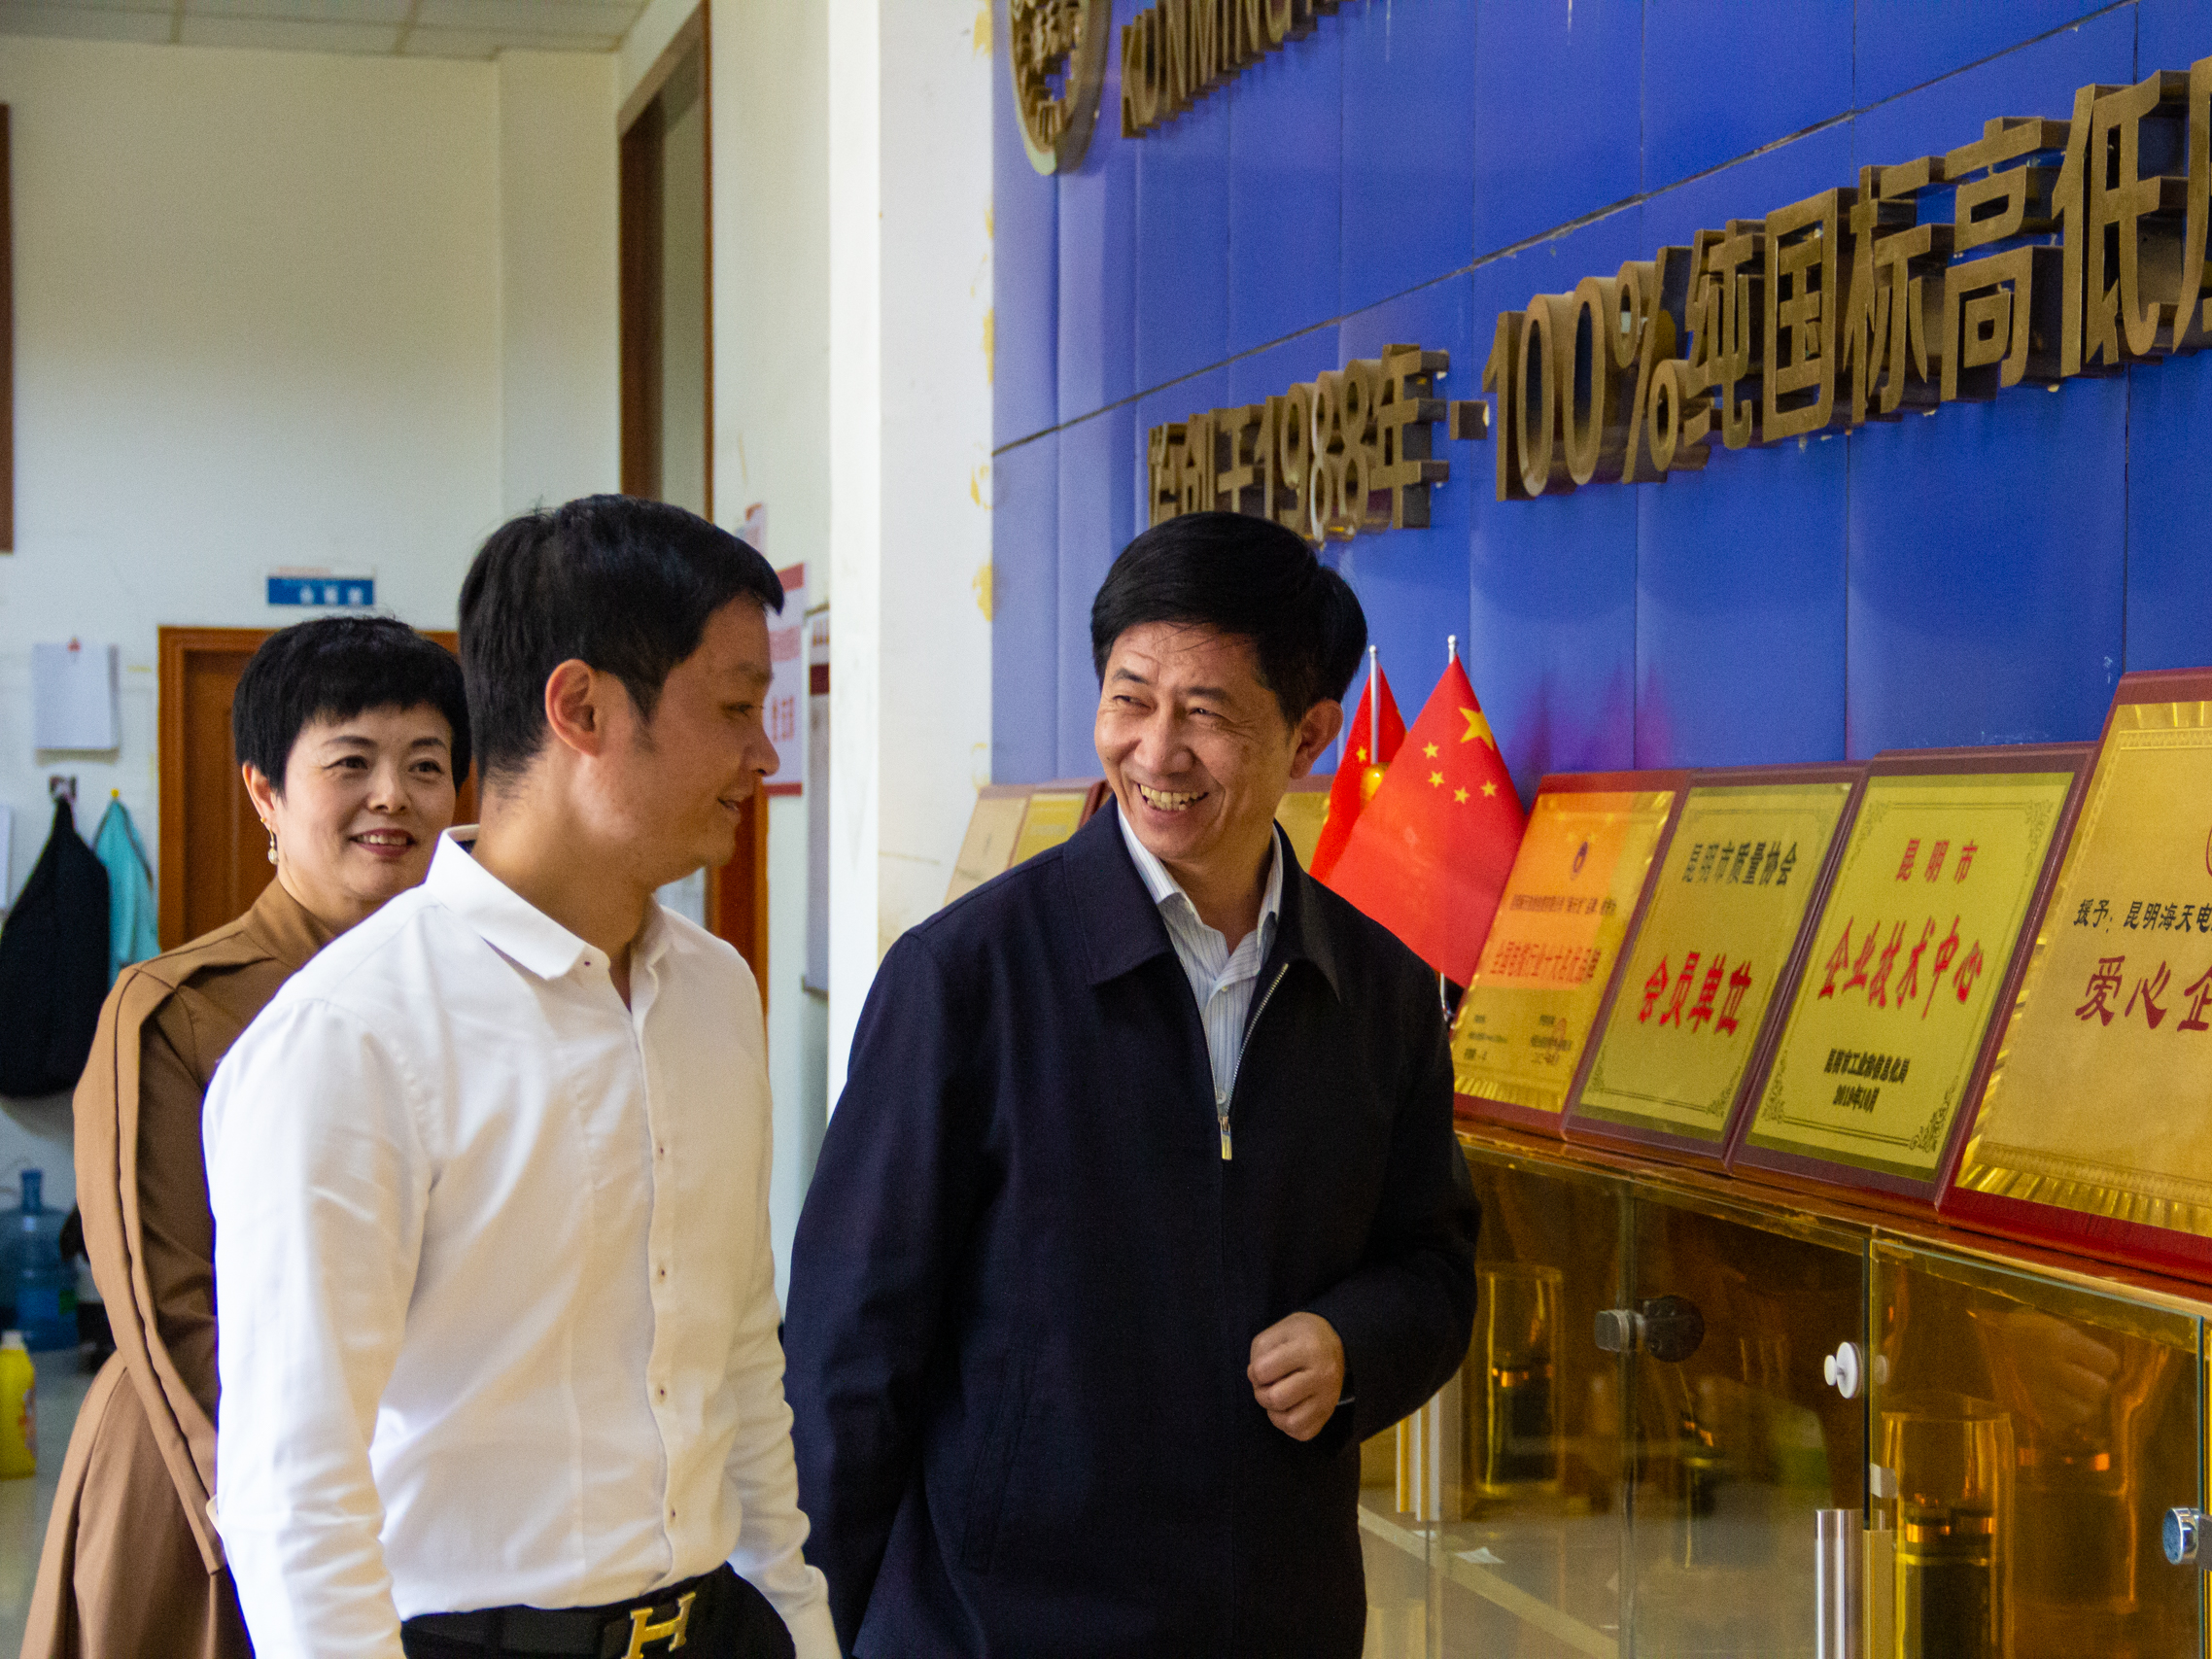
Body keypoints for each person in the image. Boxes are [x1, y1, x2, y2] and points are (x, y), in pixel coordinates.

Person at [785, 510, 1481, 1657]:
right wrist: (827, 1625)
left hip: (1274, 1620)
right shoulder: (964, 979)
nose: (1156, 753)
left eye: (1205, 712)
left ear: (1310, 733)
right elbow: (850, 1344)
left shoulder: (1381, 993)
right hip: (997, 1627)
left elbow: (1434, 1265)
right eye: (1130, 699)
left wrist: (1354, 1343)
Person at [204, 497, 834, 1659]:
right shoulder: (353, 1037)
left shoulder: (713, 992)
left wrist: (798, 1620)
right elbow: (294, 1492)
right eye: (734, 708)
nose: (764, 753)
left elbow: (741, 1356)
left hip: (718, 1627)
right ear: (581, 708)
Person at [25, 616, 470, 1659]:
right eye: (350, 762)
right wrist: (295, 1527)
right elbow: (172, 1312)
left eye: (426, 765)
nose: (393, 796)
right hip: (213, 1493)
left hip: (438, 1488)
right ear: (265, 792)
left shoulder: (481, 994)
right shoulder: (176, 1010)